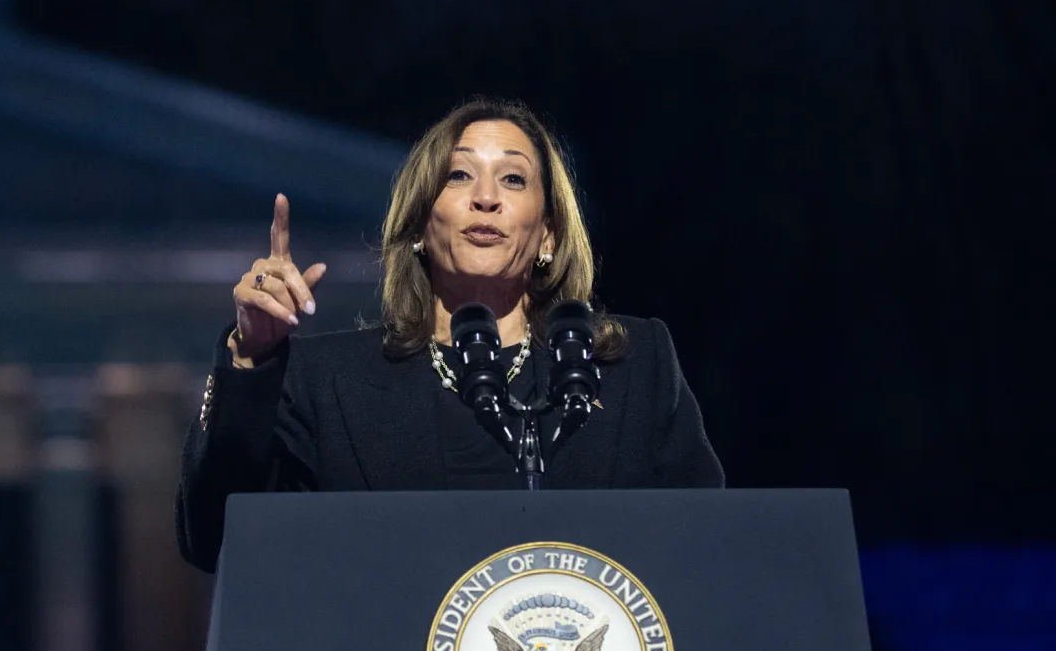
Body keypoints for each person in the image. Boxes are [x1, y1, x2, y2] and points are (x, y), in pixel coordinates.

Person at [175, 98, 724, 573]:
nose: (486, 197)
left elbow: (707, 547)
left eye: (513, 179)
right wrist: (251, 358)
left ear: (549, 235)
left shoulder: (632, 368)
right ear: (419, 225)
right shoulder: (324, 382)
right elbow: (215, 538)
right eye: (459, 175)